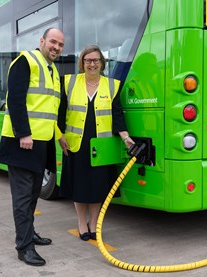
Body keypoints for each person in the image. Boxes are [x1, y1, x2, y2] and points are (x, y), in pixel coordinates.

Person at [0, 27, 64, 266]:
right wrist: (23, 133)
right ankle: (24, 247)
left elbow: (49, 112)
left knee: (34, 195)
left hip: (41, 144)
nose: (56, 47)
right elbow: (15, 99)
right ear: (42, 41)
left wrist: (59, 136)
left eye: (60, 45)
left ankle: (30, 234)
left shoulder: (53, 70)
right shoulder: (26, 61)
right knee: (23, 198)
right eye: (53, 42)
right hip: (22, 143)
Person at [57, 45, 135, 241]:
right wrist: (59, 135)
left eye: (96, 60)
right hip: (76, 143)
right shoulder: (69, 82)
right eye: (88, 60)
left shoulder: (113, 85)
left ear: (102, 63)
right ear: (82, 63)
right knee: (79, 185)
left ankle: (94, 223)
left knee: (97, 186)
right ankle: (82, 223)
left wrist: (125, 137)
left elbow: (117, 115)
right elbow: (59, 112)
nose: (92, 64)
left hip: (101, 145)